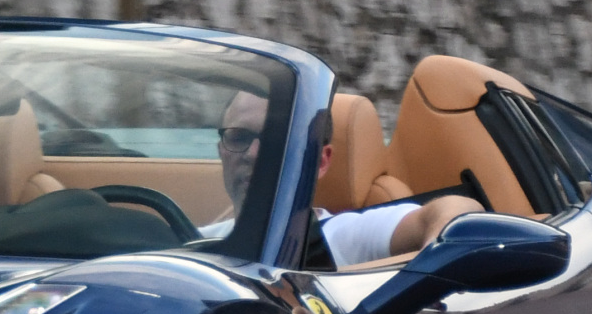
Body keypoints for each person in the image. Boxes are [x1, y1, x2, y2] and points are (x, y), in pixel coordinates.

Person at [199, 90, 483, 266]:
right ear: (221, 151)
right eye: (238, 137)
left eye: (278, 141)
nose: (253, 154)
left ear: (320, 162)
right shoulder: (192, 241)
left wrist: (434, 265)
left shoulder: (341, 236)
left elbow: (458, 213)